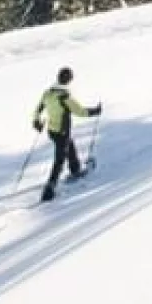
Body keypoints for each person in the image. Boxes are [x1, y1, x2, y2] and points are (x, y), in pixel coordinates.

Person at [33, 67, 101, 202]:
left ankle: (75, 169)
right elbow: (79, 111)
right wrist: (95, 111)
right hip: (61, 132)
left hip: (52, 131)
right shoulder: (64, 96)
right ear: (68, 80)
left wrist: (37, 122)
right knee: (59, 160)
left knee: (69, 145)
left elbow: (38, 109)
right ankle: (49, 189)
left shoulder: (48, 93)